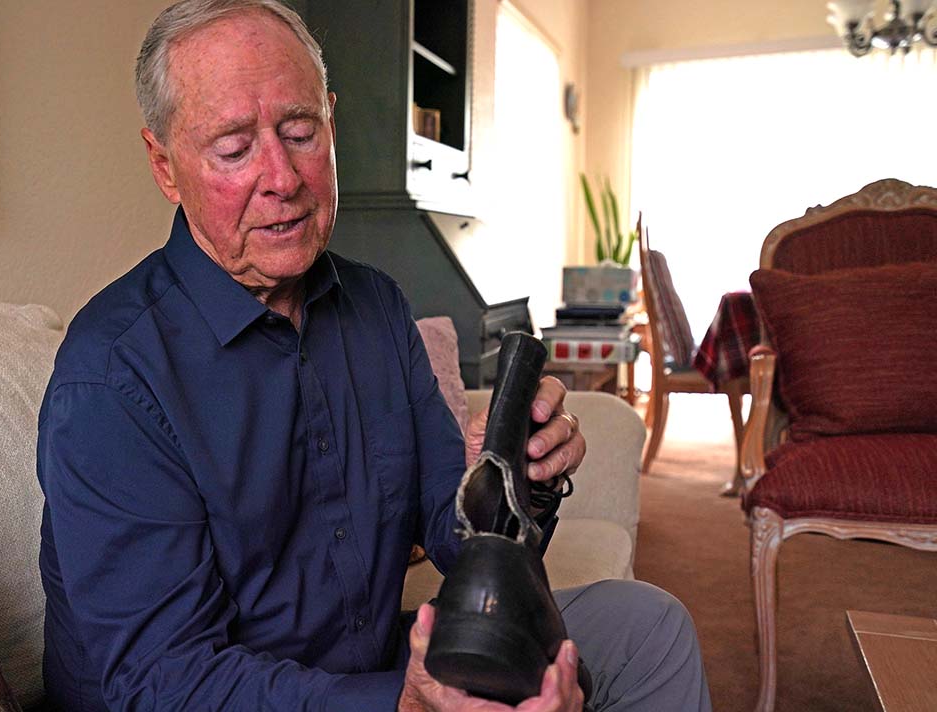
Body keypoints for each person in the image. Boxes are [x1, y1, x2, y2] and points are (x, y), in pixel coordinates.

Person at [36, 1, 712, 710]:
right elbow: (163, 682)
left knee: (648, 628)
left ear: (331, 123)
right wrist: (404, 704)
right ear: (165, 166)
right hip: (221, 695)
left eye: (301, 132)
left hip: (369, 662)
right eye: (234, 150)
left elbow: (454, 538)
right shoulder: (111, 380)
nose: (283, 178)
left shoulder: (376, 308)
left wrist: (518, 481)